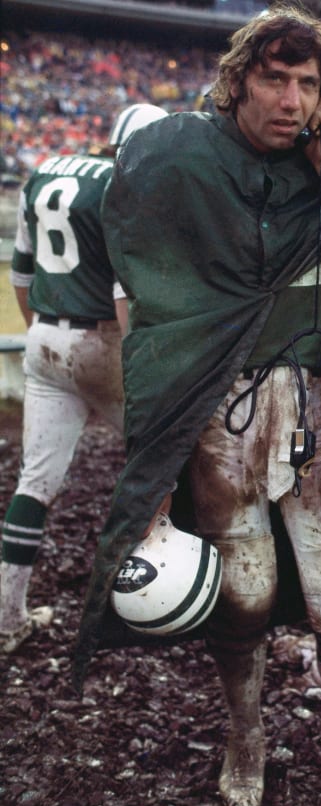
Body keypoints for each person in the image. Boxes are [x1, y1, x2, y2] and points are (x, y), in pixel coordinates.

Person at [73, 5, 321, 806]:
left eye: (308, 82)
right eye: (274, 78)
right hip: (223, 406)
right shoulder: (182, 160)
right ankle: (246, 738)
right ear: (239, 79)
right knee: (243, 592)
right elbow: (144, 295)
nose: (291, 98)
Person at [0, 103, 167, 655]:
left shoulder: (48, 166)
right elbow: (125, 297)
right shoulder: (127, 186)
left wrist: (47, 336)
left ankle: (6, 617)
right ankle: (161, 597)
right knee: (166, 461)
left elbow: (21, 274)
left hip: (44, 336)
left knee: (35, 484)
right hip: (102, 341)